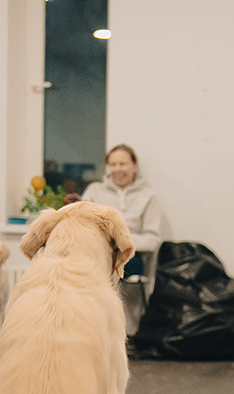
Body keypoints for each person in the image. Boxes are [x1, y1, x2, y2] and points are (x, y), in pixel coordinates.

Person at [65, 144, 164, 336]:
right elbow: (82, 226)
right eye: (113, 164)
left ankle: (115, 332)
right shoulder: (94, 191)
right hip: (95, 253)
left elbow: (152, 240)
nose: (118, 169)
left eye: (123, 164)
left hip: (129, 257)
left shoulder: (148, 197)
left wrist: (119, 240)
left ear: (135, 166)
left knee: (102, 270)